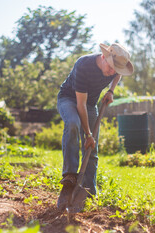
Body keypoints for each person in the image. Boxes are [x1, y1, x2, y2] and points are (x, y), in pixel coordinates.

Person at [56, 43, 134, 211]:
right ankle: (69, 177)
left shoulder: (114, 70)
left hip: (90, 104)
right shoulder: (84, 65)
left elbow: (117, 75)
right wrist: (88, 133)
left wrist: (111, 91)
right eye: (111, 67)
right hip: (70, 99)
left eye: (116, 69)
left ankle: (89, 191)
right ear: (104, 57)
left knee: (91, 149)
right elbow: (80, 104)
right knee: (73, 124)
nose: (112, 72)